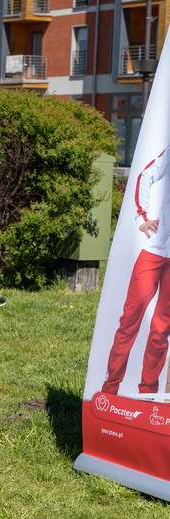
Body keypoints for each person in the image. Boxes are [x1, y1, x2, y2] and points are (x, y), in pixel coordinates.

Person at [102, 145, 170, 395]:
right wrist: (142, 218)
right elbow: (145, 176)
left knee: (162, 329)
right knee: (129, 320)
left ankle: (148, 394)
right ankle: (109, 390)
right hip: (155, 250)